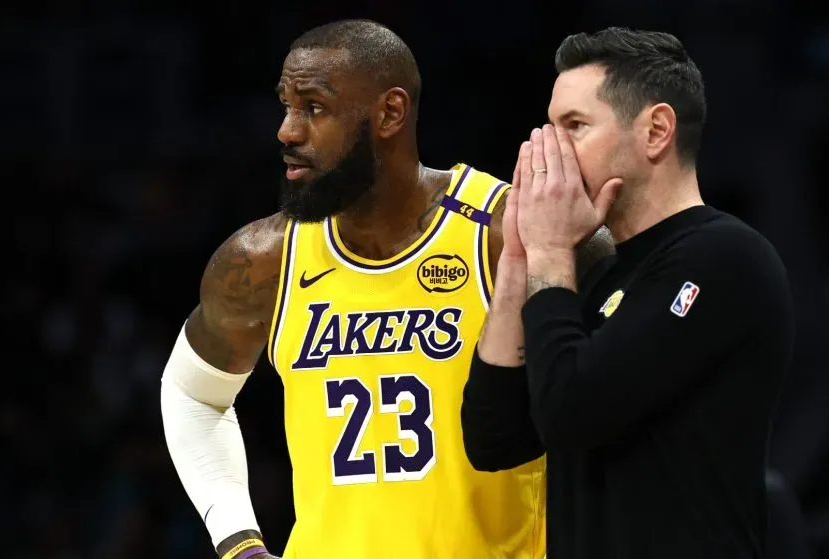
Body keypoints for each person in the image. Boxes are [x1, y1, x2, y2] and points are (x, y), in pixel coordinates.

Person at [159, 19, 609, 559]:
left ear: (390, 113)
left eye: (313, 107)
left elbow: (641, 386)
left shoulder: (510, 234)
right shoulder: (263, 260)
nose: (286, 130)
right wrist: (239, 543)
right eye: (285, 105)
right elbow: (192, 396)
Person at [460, 27, 795, 558]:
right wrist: (520, 261)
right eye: (548, 129)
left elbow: (571, 414)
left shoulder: (725, 257)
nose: (551, 155)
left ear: (657, 131)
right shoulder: (590, 275)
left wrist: (549, 252)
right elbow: (493, 439)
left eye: (574, 127)